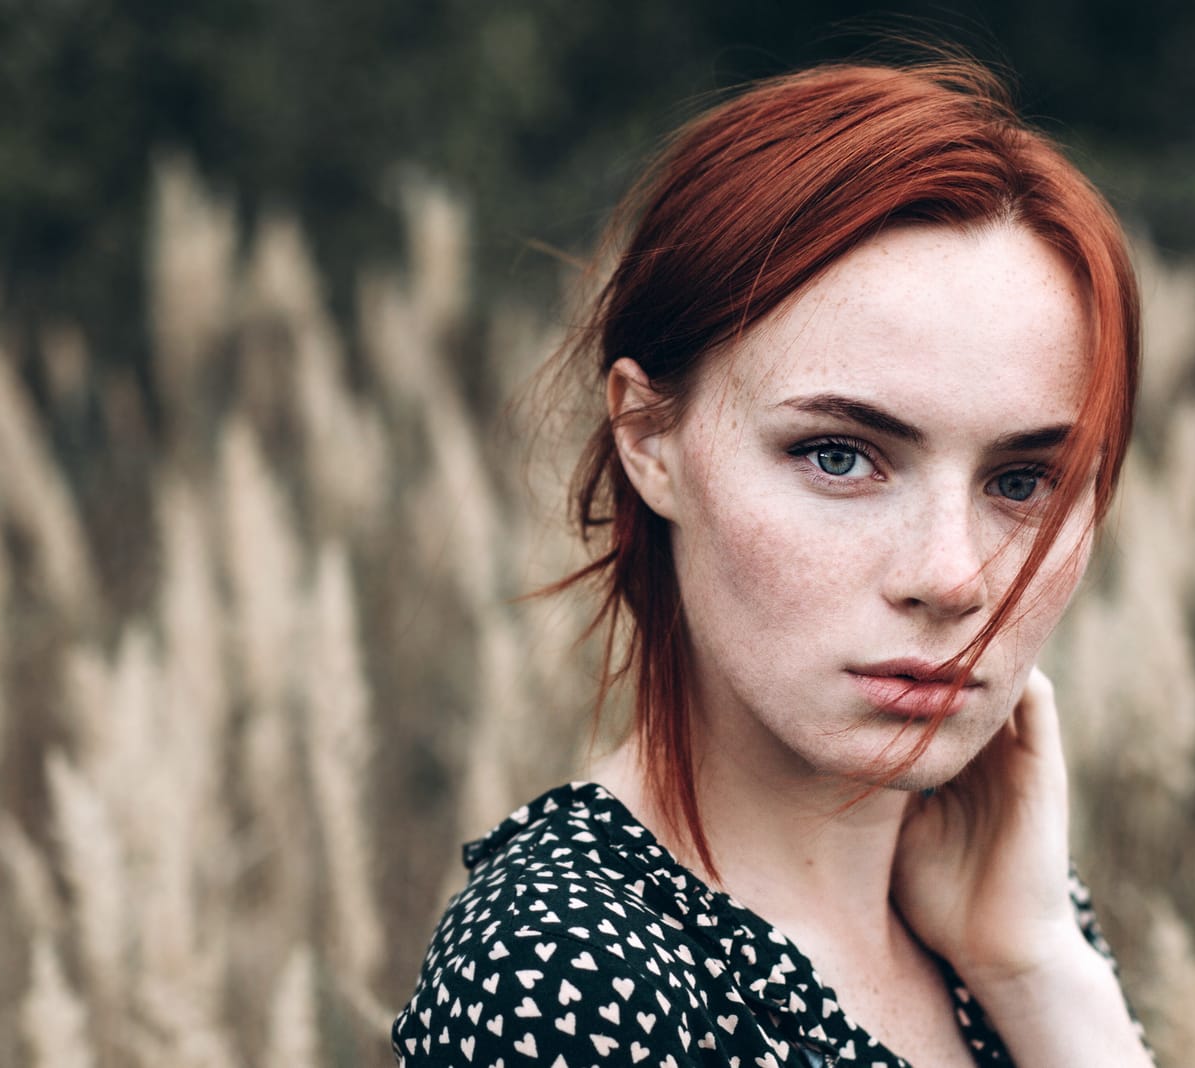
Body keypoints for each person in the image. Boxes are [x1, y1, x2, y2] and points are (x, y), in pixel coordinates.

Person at [394, 55, 1155, 1067]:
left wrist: (1042, 976)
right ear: (648, 435)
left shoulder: (1004, 910)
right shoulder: (567, 973)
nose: (951, 575)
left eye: (1022, 482)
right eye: (838, 456)